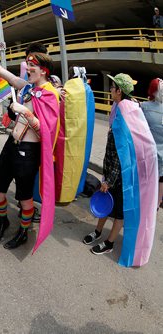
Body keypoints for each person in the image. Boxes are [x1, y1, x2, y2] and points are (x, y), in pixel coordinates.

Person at [0, 33, 60, 249]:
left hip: (29, 152)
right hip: (11, 145)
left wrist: (26, 113)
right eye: (27, 65)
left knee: (25, 198)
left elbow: (46, 132)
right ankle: (3, 220)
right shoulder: (27, 87)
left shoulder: (50, 94)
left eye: (32, 67)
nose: (27, 69)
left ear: (44, 71)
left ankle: (23, 231)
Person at [83, 73, 157, 263]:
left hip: (123, 174)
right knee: (106, 202)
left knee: (118, 211)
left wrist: (109, 179)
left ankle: (109, 243)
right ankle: (98, 231)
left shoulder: (126, 111)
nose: (110, 89)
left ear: (119, 91)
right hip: (115, 169)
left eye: (112, 87)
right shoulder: (124, 106)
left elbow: (120, 152)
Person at [141, 78, 163, 208]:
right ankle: (156, 205)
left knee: (147, 181)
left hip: (149, 153)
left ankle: (145, 205)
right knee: (161, 180)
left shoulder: (144, 107)